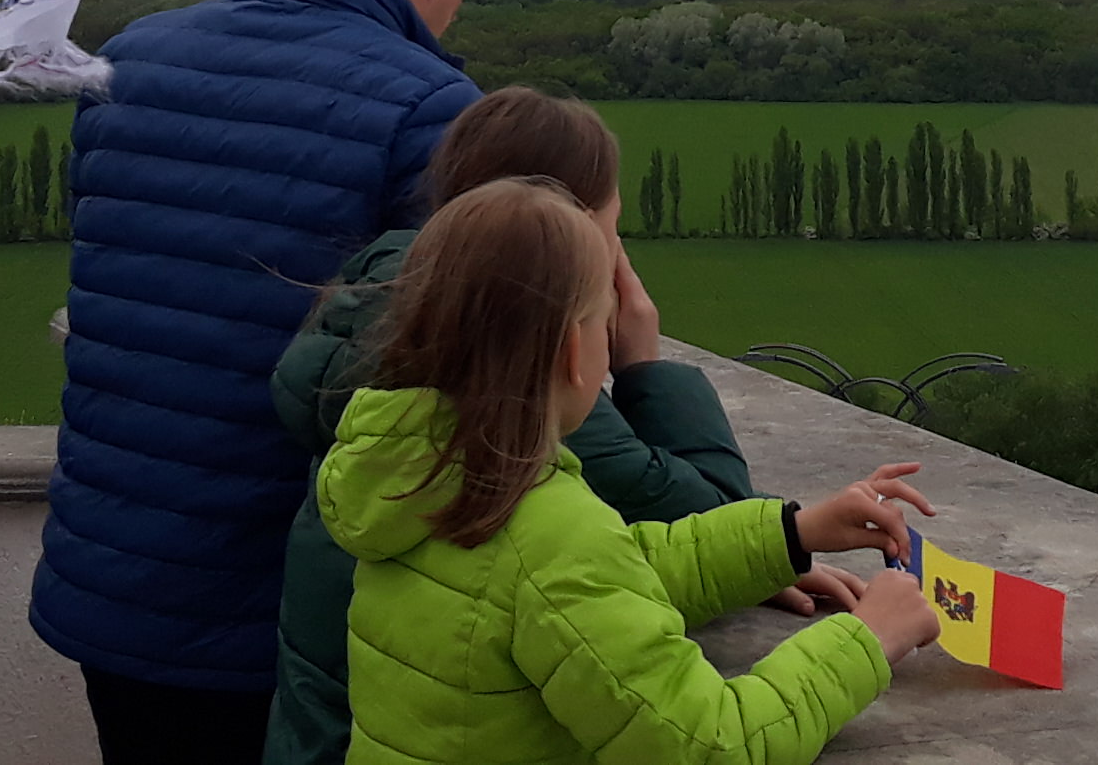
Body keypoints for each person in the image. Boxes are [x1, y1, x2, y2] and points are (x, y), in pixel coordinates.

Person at [31, 0, 494, 761]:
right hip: (280, 597)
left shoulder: (129, 60)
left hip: (111, 565)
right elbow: (471, 364)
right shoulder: (428, 104)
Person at [269, 87, 810, 765]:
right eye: (613, 238)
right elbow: (703, 735)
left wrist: (784, 537)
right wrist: (645, 366)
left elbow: (587, 570)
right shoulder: (514, 450)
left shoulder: (401, 432)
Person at [320, 177, 937, 765]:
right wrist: (868, 641)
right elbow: (707, 746)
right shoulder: (542, 528)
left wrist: (789, 533)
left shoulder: (416, 473)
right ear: (572, 351)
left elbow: (607, 577)